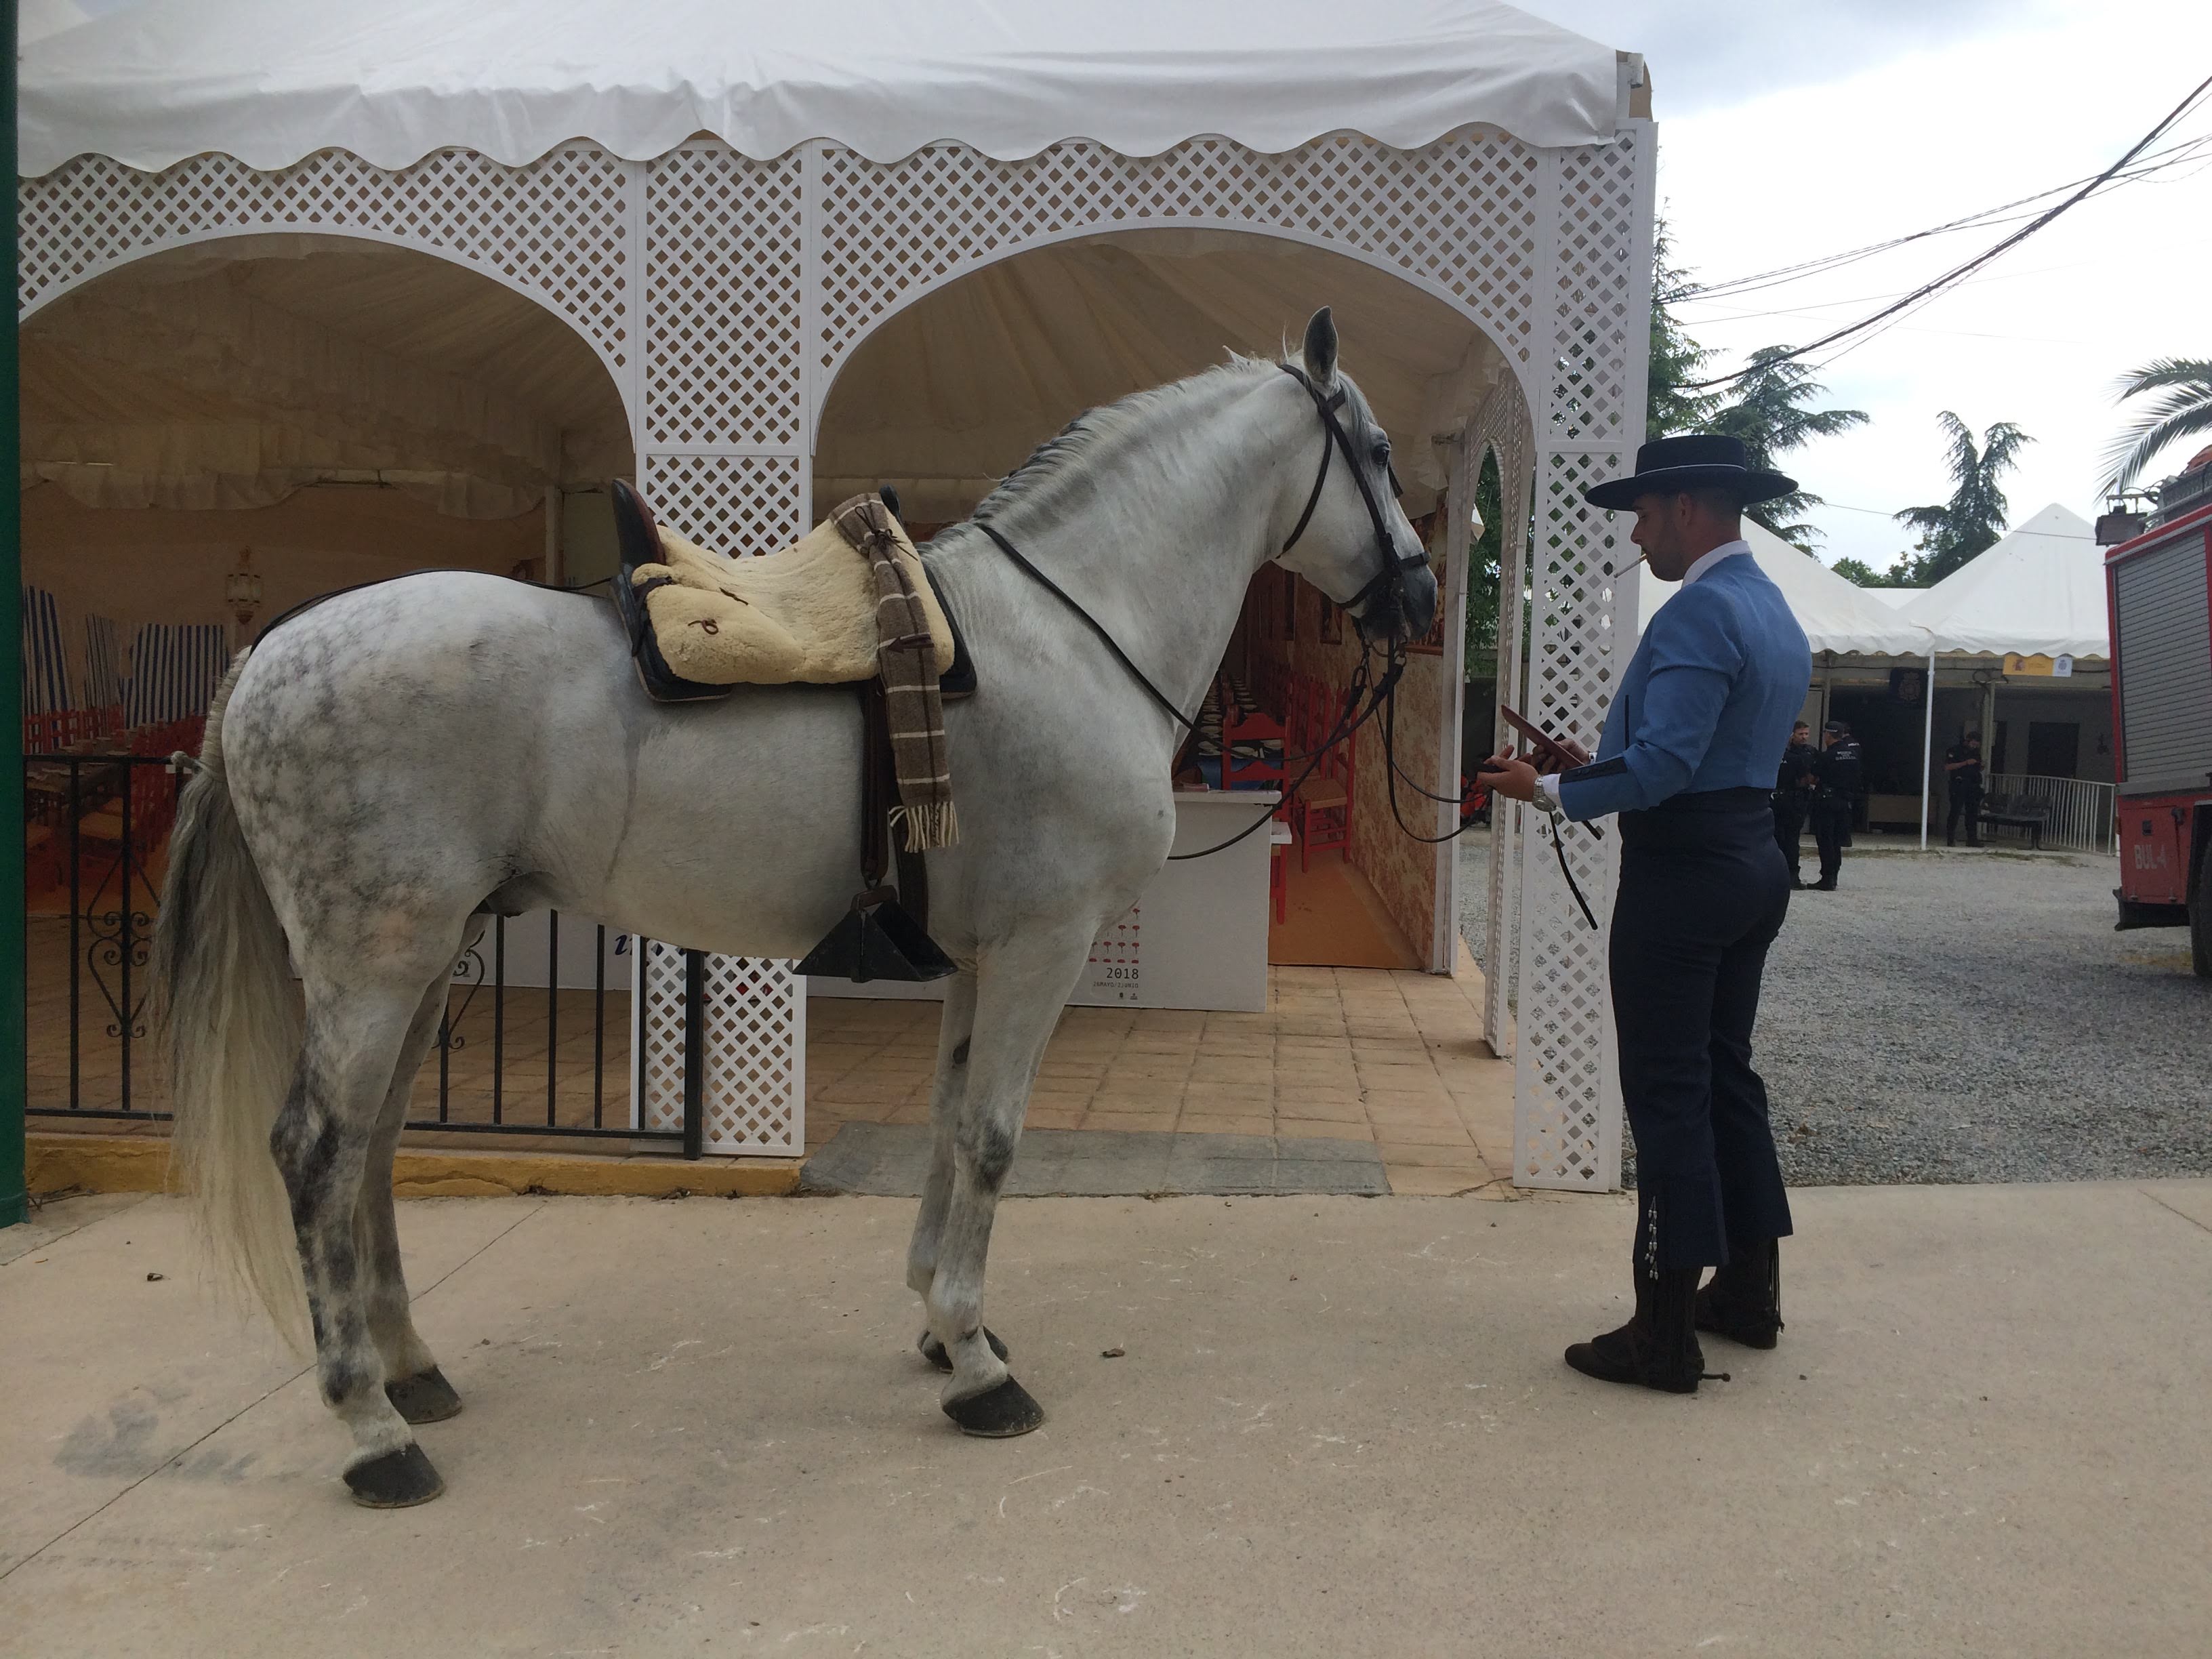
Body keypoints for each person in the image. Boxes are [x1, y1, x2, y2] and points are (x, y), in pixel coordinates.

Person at [1483, 432, 1811, 1395]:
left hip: (1684, 879)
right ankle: (1748, 1292)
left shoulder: (1697, 613)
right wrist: (1593, 767)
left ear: (1685, 508)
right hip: (1751, 855)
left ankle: (1663, 1332)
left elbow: (1666, 769)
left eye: (1644, 511)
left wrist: (1540, 792)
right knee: (1724, 1074)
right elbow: (1698, 757)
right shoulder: (1770, 608)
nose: (1636, 529)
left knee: (1667, 1091)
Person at [1807, 720, 1862, 890]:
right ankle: (1835, 876)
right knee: (1837, 841)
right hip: (1845, 802)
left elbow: (1813, 778)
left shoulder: (1827, 756)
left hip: (1827, 801)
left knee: (1825, 840)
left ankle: (1827, 878)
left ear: (1828, 735)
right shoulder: (1853, 754)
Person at [1772, 719, 1817, 887]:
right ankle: (1786, 875)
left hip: (1790, 799)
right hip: (1788, 799)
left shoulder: (1809, 752)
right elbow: (1806, 780)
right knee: (1784, 838)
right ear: (1792, 734)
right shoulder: (1795, 756)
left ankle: (1789, 875)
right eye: (1801, 734)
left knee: (1788, 839)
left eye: (1806, 734)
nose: (1804, 737)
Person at [1944, 729, 1984, 846]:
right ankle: (1950, 838)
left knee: (1972, 813)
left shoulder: (1976, 752)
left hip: (1973, 785)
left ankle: (1972, 839)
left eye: (1977, 744)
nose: (1975, 745)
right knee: (1955, 811)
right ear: (1967, 741)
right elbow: (1948, 767)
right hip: (1959, 784)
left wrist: (1980, 766)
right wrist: (1966, 763)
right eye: (1973, 743)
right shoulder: (1954, 750)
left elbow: (1977, 767)